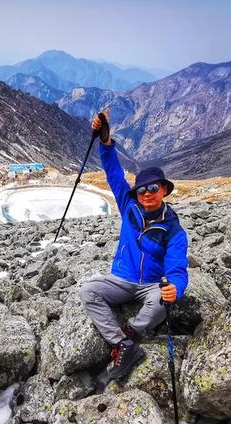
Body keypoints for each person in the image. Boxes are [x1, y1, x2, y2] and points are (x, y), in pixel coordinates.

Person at [79, 109, 189, 380]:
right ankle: (123, 345)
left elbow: (177, 269)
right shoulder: (129, 206)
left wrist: (175, 288)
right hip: (122, 280)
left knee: (161, 303)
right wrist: (105, 141)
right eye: (142, 190)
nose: (147, 194)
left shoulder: (174, 230)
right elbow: (114, 174)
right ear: (136, 194)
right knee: (88, 291)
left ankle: (132, 332)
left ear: (163, 190)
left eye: (153, 189)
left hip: (151, 284)